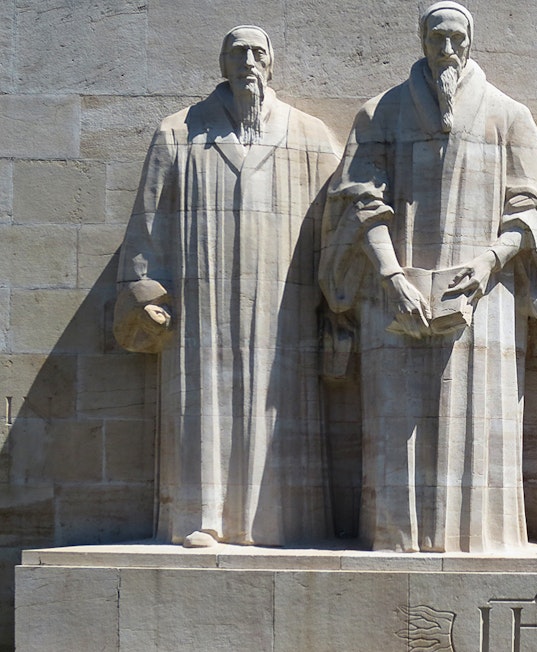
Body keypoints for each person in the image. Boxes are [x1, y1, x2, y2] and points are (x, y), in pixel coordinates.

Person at [318, 2, 537, 552]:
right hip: (394, 296)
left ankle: (481, 539)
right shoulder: (380, 114)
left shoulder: (508, 115)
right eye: (437, 38)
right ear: (423, 41)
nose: (448, 49)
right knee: (396, 426)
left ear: (471, 42)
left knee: (479, 425)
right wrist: (391, 277)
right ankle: (398, 539)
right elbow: (358, 201)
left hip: (485, 299)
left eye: (457, 38)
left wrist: (489, 263)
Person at [115, 25, 341, 547]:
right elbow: (148, 224)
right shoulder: (179, 133)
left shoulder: (309, 135)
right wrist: (146, 294)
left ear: (271, 63)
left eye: (258, 53)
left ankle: (284, 521)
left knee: (278, 400)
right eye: (238, 53)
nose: (248, 62)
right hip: (203, 303)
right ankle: (203, 517)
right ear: (223, 63)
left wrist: (338, 306)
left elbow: (340, 223)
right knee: (204, 402)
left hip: (285, 303)